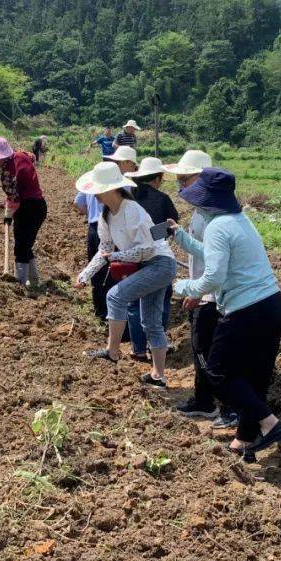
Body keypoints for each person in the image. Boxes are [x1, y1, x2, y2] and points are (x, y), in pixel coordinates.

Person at [169, 169, 281, 461]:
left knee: (218, 372)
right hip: (270, 304)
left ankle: (270, 424)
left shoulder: (217, 227)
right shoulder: (238, 220)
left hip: (245, 310)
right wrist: (181, 237)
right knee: (254, 376)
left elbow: (213, 277)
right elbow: (212, 254)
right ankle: (244, 441)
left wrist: (183, 286)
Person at [75, 162, 176, 388]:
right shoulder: (106, 216)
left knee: (115, 296)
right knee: (150, 321)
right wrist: (85, 274)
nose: (95, 196)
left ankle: (112, 351)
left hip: (160, 263)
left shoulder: (132, 210)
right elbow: (105, 250)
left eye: (98, 190)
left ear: (112, 188)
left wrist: (119, 256)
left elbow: (148, 248)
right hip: (148, 266)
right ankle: (158, 376)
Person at [164, 150, 238, 429]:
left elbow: (215, 264)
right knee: (200, 348)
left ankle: (228, 407)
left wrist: (197, 293)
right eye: (180, 180)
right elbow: (201, 252)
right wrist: (179, 235)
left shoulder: (215, 218)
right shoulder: (200, 213)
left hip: (212, 294)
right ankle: (203, 400)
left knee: (214, 353)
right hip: (203, 289)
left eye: (185, 179)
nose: (181, 186)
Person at [123, 157, 179, 361]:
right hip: (156, 256)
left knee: (133, 300)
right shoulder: (163, 199)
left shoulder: (129, 198)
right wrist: (154, 237)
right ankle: (156, 345)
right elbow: (172, 226)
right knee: (161, 300)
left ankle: (137, 348)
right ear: (158, 178)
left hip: (132, 255)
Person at [0, 136, 48, 287]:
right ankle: (34, 281)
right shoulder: (21, 155)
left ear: (3, 155)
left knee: (21, 247)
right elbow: (32, 156)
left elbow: (14, 199)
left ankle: (19, 284)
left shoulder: (8, 175)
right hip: (39, 207)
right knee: (25, 245)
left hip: (28, 209)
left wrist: (8, 214)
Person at [73, 189, 109, 320]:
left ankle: (101, 311)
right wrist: (85, 274)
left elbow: (78, 202)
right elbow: (104, 253)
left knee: (102, 276)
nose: (95, 197)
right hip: (103, 227)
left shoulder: (90, 181)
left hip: (93, 227)